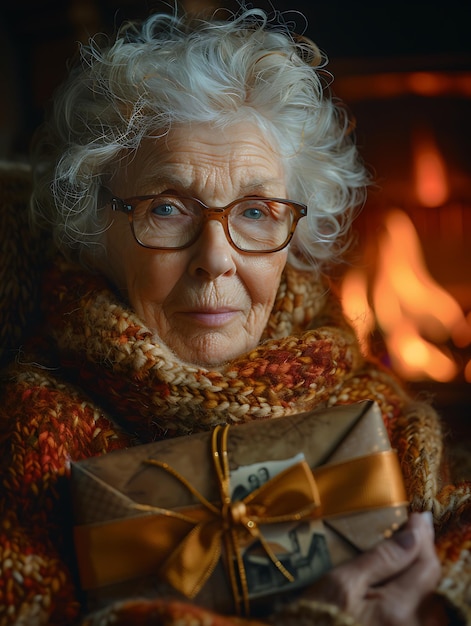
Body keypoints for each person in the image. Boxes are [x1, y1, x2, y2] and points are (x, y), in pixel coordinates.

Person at [0, 6, 469, 626]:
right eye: (168, 209)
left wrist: (446, 596)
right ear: (95, 228)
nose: (216, 259)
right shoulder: (30, 436)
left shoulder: (366, 407)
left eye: (255, 211)